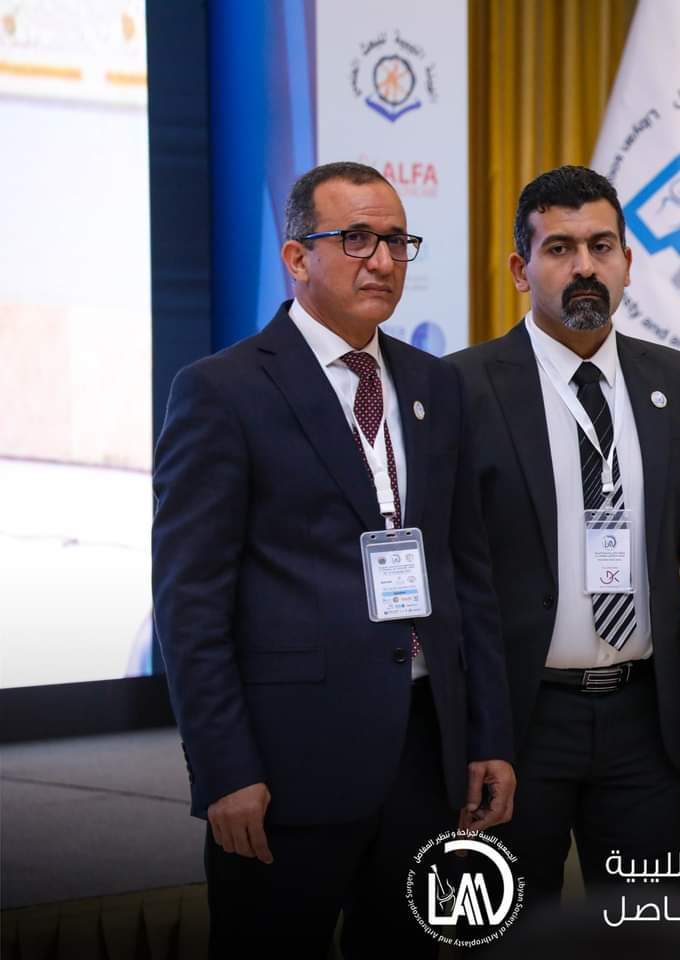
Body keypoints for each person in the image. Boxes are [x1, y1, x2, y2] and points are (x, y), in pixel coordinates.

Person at [152, 161, 515, 957]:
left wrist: (487, 735)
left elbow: (467, 577)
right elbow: (190, 604)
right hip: (288, 767)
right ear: (296, 257)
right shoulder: (223, 390)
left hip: (425, 755)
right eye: (355, 239)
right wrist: (223, 768)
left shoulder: (435, 386)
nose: (382, 261)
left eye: (396, 241)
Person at [447, 165, 680, 906]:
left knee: (654, 935)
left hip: (649, 723)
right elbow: (455, 579)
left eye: (601, 246)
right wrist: (474, 737)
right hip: (521, 725)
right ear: (520, 269)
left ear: (627, 262)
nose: (585, 266)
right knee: (509, 935)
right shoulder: (462, 388)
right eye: (559, 248)